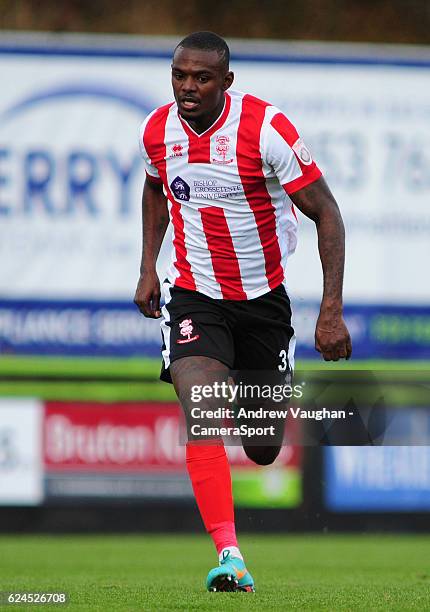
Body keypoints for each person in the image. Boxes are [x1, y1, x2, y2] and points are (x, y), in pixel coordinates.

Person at [135, 31, 352, 593]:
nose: (188, 88)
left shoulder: (264, 129)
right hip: (193, 295)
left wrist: (330, 311)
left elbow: (327, 213)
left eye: (202, 78)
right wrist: (145, 267)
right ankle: (231, 557)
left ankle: (263, 379)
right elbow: (156, 188)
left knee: (261, 447)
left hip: (263, 304)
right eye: (180, 76)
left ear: (226, 82)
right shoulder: (157, 130)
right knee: (202, 407)